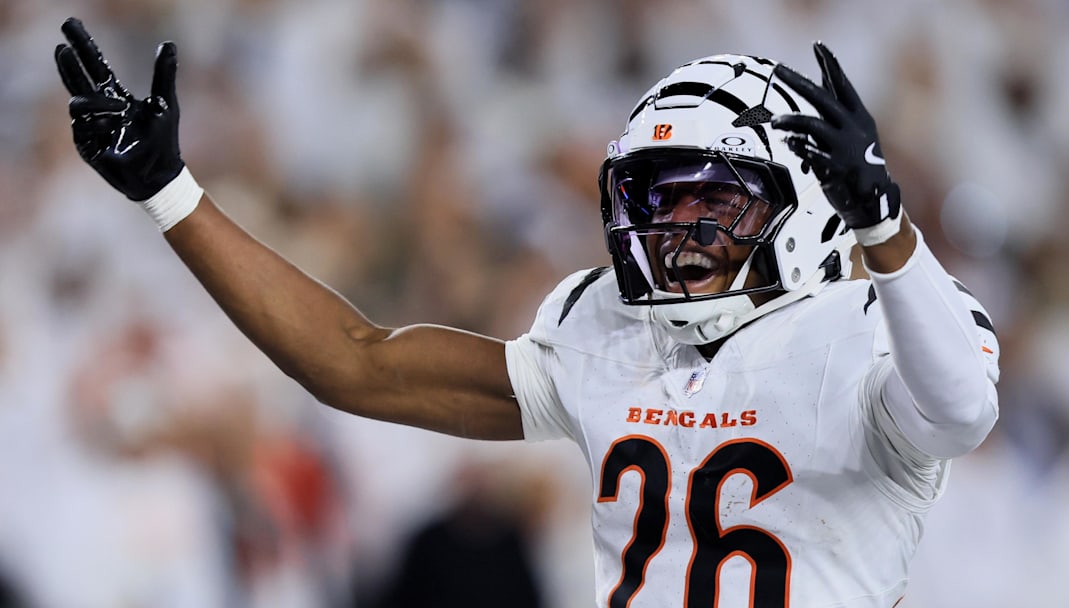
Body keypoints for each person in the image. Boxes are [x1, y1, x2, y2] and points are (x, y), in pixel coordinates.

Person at [54, 16, 999, 608]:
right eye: (657, 200)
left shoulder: (876, 323)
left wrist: (886, 226)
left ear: (808, 205)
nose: (678, 231)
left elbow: (961, 411)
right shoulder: (607, 329)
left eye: (714, 200)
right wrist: (170, 194)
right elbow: (353, 362)